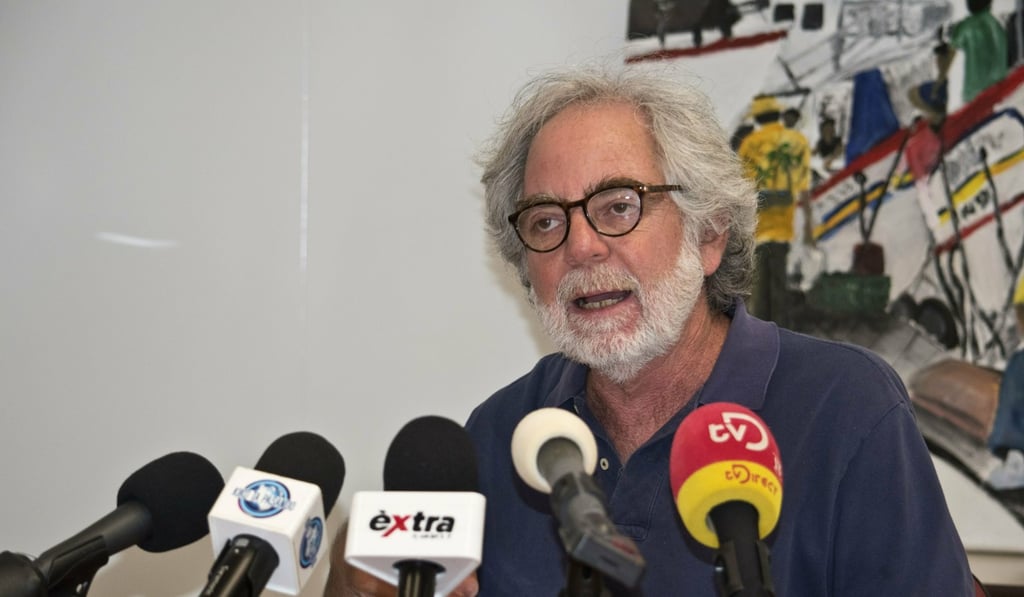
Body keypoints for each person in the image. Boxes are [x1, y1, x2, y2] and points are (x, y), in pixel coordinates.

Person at [327, 66, 974, 596]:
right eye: (547, 221)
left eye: (618, 206)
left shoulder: (846, 409)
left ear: (710, 232)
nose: (581, 246)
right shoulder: (499, 435)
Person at [737, 95, 812, 329]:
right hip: (784, 225)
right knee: (780, 284)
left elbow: (743, 189)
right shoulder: (797, 141)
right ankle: (783, 337)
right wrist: (809, 225)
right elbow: (804, 189)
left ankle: (761, 342)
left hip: (758, 226)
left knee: (758, 292)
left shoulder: (750, 143)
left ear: (758, 118)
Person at [949, 0, 1008, 104]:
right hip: (1000, 90)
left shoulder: (967, 25)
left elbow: (953, 45)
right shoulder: (997, 24)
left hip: (976, 95)